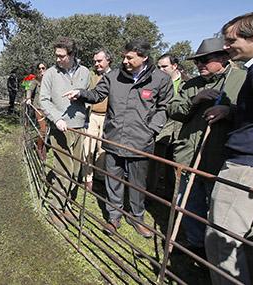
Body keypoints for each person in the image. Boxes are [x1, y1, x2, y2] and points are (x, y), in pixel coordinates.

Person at [64, 39, 173, 238]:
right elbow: (97, 95)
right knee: (112, 180)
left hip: (141, 143)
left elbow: (165, 107)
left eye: (130, 58)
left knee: (137, 183)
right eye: (123, 57)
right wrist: (80, 94)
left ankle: (136, 217)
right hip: (114, 139)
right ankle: (113, 217)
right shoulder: (114, 76)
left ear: (144, 57)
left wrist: (152, 130)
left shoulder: (160, 79)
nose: (124, 61)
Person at [204, 11, 253, 285]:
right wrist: (231, 111)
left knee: (222, 242)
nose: (226, 46)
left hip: (248, 170)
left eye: (232, 40)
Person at [167, 37, 246, 256]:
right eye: (197, 61)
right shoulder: (192, 84)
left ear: (223, 58)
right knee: (188, 201)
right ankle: (195, 243)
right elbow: (173, 110)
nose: (199, 65)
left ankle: (216, 249)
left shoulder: (242, 79)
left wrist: (229, 112)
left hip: (220, 157)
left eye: (205, 60)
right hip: (189, 154)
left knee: (217, 207)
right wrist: (195, 100)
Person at [39, 37, 90, 220]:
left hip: (79, 128)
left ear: (72, 54)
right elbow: (43, 100)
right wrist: (57, 119)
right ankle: (55, 208)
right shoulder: (50, 74)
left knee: (76, 169)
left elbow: (90, 96)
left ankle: (66, 204)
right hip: (60, 128)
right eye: (56, 56)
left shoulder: (85, 72)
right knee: (63, 168)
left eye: (61, 56)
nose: (58, 59)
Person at [147, 54, 185, 199]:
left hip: (180, 131)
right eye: (159, 67)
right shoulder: (156, 82)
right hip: (161, 130)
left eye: (164, 66)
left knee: (174, 167)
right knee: (154, 164)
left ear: (174, 66)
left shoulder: (187, 83)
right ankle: (149, 195)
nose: (160, 69)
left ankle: (171, 197)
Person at [82, 49, 113, 191]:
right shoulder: (91, 76)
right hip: (92, 115)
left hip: (108, 117)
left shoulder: (115, 76)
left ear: (108, 60)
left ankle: (100, 176)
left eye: (99, 61)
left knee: (102, 148)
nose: (96, 64)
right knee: (88, 146)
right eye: (95, 61)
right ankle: (87, 177)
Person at [25, 62, 48, 160]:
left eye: (43, 68)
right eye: (39, 68)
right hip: (38, 108)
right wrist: (28, 98)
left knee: (47, 129)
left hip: (48, 108)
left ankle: (43, 146)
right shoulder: (35, 80)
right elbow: (29, 89)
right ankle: (39, 148)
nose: (41, 70)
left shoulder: (50, 80)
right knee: (43, 129)